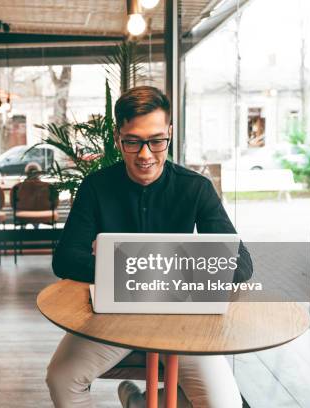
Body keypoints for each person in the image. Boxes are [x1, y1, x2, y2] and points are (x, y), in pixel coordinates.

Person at [46, 86, 252, 408]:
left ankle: (141, 403)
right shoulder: (96, 187)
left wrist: (127, 269)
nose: (145, 155)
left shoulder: (195, 188)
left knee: (225, 404)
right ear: (117, 138)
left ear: (169, 133)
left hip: (181, 320)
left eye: (156, 141)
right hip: (111, 319)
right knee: (61, 378)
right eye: (133, 141)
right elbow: (65, 259)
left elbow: (241, 265)